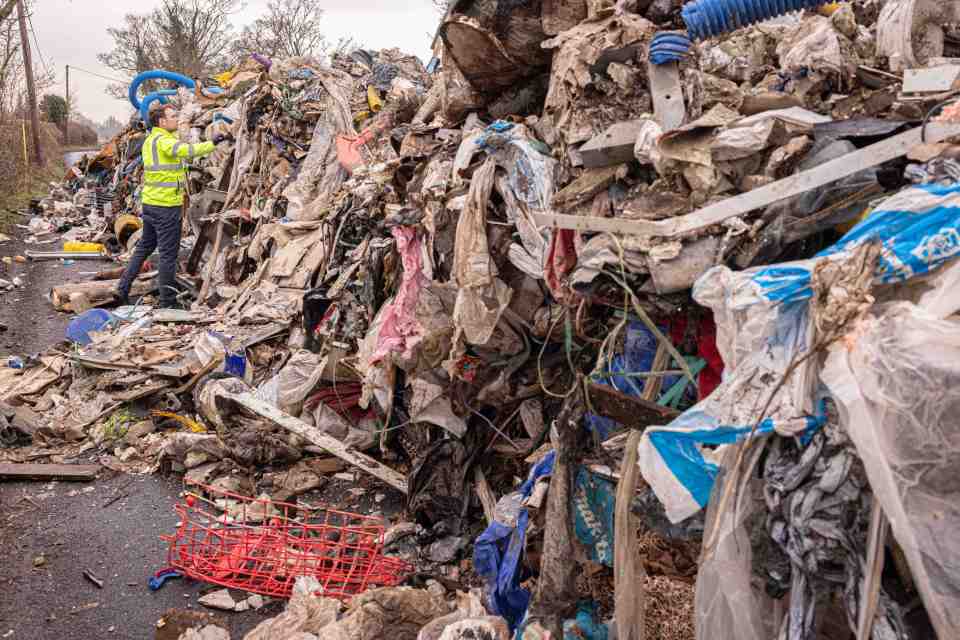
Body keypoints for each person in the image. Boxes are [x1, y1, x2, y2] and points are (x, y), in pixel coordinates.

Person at [115, 103, 228, 308]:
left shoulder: (150, 140)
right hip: (166, 206)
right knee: (168, 254)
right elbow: (187, 151)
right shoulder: (164, 140)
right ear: (162, 121)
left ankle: (122, 288)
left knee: (144, 248)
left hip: (150, 203)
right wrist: (213, 142)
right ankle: (167, 302)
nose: (177, 118)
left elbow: (172, 163)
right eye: (172, 116)